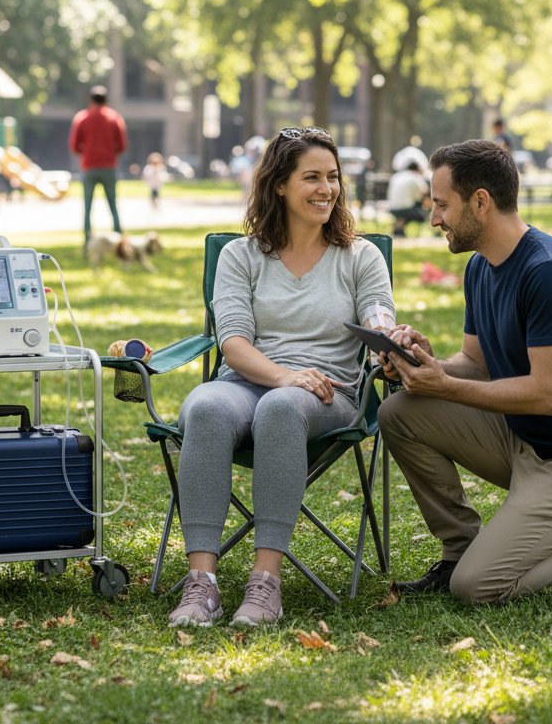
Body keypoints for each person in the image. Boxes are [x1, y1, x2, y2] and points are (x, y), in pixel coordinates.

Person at [377, 139, 552, 604]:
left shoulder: (550, 272)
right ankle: (459, 548)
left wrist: (446, 386)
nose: (434, 218)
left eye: (442, 205)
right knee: (401, 412)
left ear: (481, 201)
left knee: (478, 588)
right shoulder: (481, 268)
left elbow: (547, 395)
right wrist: (429, 365)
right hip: (523, 443)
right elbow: (475, 364)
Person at [168, 127, 396, 628]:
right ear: (279, 185)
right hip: (246, 380)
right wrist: (283, 375)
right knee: (205, 406)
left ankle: (265, 583)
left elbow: (381, 319)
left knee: (281, 406)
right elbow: (232, 343)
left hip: (328, 391)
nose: (326, 189)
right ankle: (201, 583)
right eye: (311, 177)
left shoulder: (360, 257)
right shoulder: (241, 256)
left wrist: (391, 340)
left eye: (333, 177)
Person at [68, 85, 128, 243]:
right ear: (106, 100)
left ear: (91, 99)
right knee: (113, 206)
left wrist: (86, 153)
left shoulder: (82, 118)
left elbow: (74, 145)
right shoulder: (114, 118)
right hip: (109, 167)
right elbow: (122, 145)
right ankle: (119, 241)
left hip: (89, 167)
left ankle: (88, 242)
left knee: (87, 207)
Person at [386, 160, 430, 237]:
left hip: (393, 208)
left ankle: (399, 228)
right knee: (423, 207)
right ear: (417, 169)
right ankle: (434, 228)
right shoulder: (415, 177)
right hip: (407, 209)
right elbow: (423, 192)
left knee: (403, 211)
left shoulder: (396, 176)